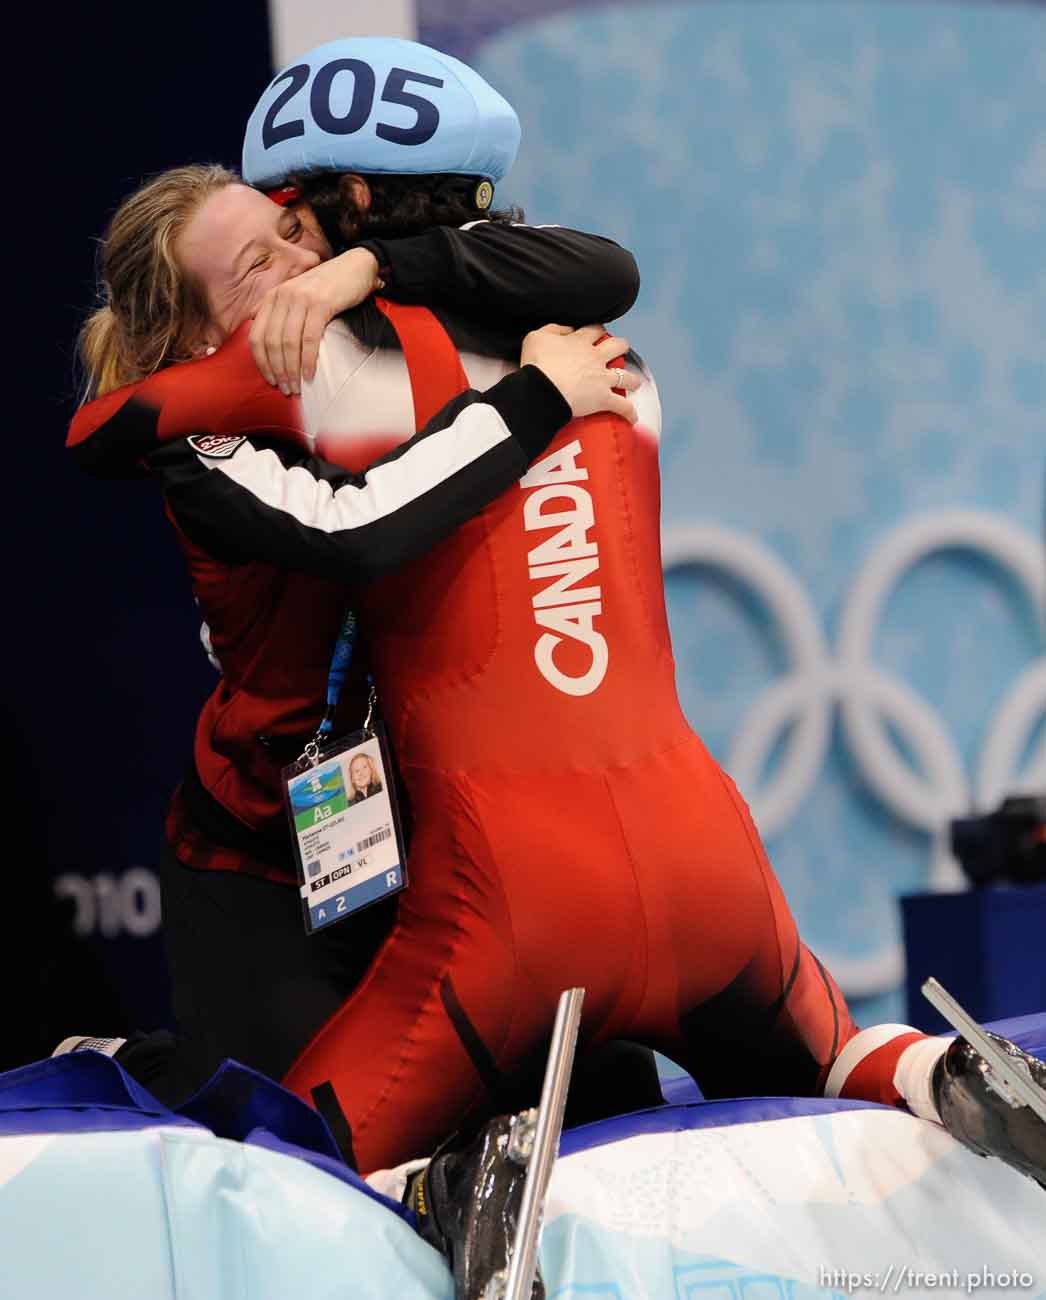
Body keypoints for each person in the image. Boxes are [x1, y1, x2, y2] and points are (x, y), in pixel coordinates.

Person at [67, 35, 1044, 1219]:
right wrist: (532, 394)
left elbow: (590, 265)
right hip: (274, 845)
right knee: (257, 1131)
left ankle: (445, 1181)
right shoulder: (239, 406)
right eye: (260, 255)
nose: (292, 260)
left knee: (567, 1109)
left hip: (437, 845)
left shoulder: (369, 347)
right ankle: (124, 1071)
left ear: (354, 207)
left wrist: (362, 272)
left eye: (293, 229)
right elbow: (345, 519)